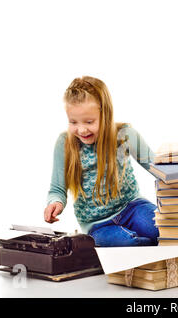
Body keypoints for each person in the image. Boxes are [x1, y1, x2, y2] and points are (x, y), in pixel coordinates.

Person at [44, 76, 159, 247]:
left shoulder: (124, 135)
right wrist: (55, 203)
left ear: (105, 115)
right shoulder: (65, 143)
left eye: (89, 122)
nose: (81, 129)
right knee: (128, 244)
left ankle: (158, 245)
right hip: (97, 224)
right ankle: (150, 249)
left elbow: (156, 167)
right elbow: (57, 189)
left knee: (163, 229)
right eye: (73, 122)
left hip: (132, 207)